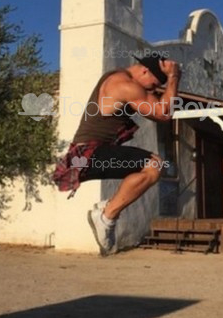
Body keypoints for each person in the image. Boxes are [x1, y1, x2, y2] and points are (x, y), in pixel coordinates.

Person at [53, 52, 181, 255]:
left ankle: (107, 211)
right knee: (154, 165)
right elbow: (164, 113)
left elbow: (162, 107)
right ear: (144, 71)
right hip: (88, 155)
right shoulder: (124, 85)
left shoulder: (120, 78)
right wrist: (174, 77)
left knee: (153, 166)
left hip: (89, 155)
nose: (152, 90)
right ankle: (106, 216)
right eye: (154, 85)